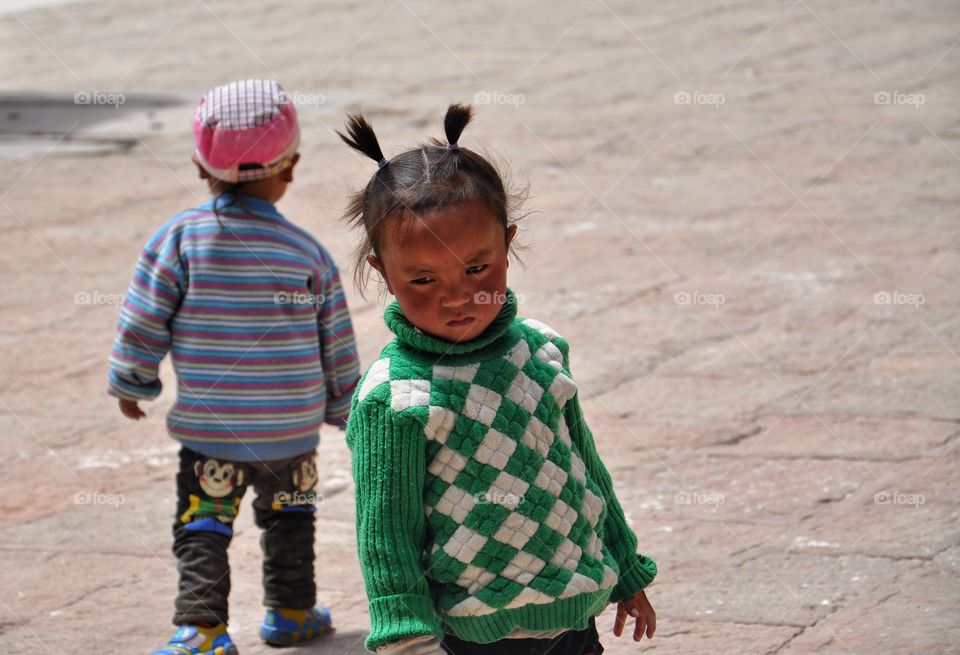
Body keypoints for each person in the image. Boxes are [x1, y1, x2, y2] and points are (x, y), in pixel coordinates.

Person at [340, 104, 657, 655]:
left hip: (574, 612)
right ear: (381, 273)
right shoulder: (393, 394)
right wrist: (405, 630)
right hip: (476, 631)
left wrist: (625, 570)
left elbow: (586, 470)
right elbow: (386, 528)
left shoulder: (541, 351)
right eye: (422, 278)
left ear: (507, 244)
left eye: (476, 268)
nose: (457, 295)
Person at [108, 78, 361, 655]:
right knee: (291, 521)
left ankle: (202, 629)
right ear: (290, 169)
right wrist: (346, 408)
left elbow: (144, 318)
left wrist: (133, 382)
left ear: (201, 167)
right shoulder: (308, 254)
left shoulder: (178, 243)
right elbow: (337, 341)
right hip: (291, 435)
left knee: (203, 527)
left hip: (212, 433)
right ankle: (291, 613)